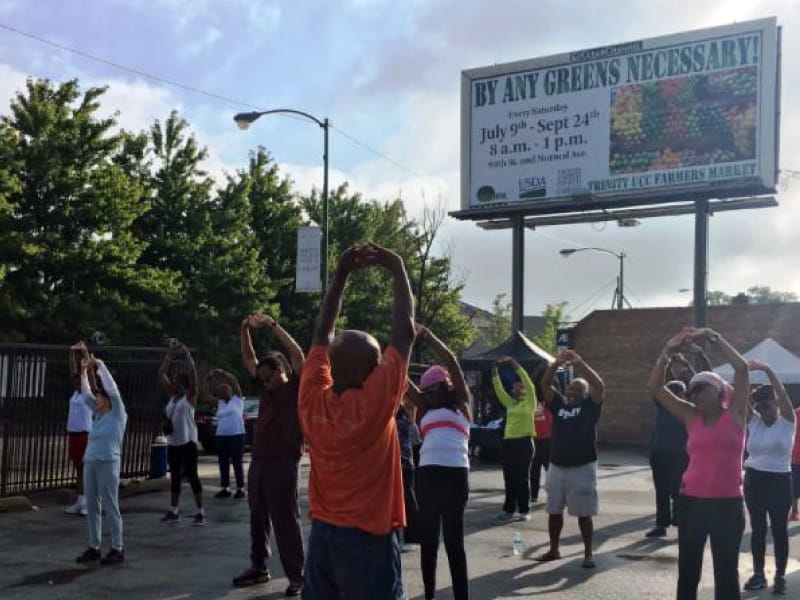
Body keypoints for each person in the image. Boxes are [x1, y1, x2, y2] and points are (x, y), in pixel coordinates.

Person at [299, 243, 414, 599]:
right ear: (353, 369)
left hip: (323, 537)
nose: (382, 365)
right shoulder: (372, 407)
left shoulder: (311, 400)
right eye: (376, 361)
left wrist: (341, 275)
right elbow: (405, 335)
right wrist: (396, 267)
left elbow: (321, 334)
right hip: (367, 539)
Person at [648, 327, 748, 600]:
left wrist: (714, 338)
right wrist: (667, 351)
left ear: (716, 389)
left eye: (698, 390)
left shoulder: (736, 415)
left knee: (726, 573)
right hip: (690, 502)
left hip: (727, 505)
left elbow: (742, 369)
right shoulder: (691, 416)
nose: (693, 396)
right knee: (688, 572)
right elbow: (656, 388)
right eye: (690, 393)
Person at [232, 313, 305, 597]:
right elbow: (249, 359)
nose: (264, 382)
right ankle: (259, 566)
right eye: (261, 378)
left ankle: (297, 575)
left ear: (280, 371)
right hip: (260, 462)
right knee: (257, 517)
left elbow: (297, 353)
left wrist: (273, 325)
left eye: (267, 376)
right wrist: (244, 330)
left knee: (286, 520)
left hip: (284, 462)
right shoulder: (266, 391)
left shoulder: (294, 388)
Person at [406, 323, 472, 600]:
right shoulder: (424, 407)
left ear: (445, 386)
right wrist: (401, 346)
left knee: (454, 541)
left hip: (456, 474)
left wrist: (428, 336)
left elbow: (452, 362)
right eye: (426, 391)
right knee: (429, 539)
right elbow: (400, 377)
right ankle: (430, 595)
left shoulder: (463, 401)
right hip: (429, 474)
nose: (428, 394)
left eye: (433, 389)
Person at [537, 349, 605, 569]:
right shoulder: (559, 404)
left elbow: (600, 386)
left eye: (578, 390)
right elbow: (545, 386)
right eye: (570, 388)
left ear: (586, 394)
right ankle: (554, 549)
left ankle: (587, 555)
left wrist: (580, 362)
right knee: (553, 511)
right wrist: (556, 363)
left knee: (584, 515)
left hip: (582, 468)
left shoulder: (590, 407)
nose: (572, 392)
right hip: (556, 466)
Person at [741, 359, 795, 595]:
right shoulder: (754, 421)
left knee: (780, 530)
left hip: (780, 481)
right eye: (759, 408)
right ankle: (759, 573)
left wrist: (768, 369)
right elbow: (738, 398)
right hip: (754, 479)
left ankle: (780, 576)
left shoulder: (788, 422)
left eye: (767, 406)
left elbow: (781, 391)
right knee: (758, 528)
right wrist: (743, 372)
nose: (763, 411)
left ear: (775, 403)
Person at [645, 351, 709, 538]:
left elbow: (702, 379)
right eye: (671, 392)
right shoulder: (663, 406)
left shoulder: (690, 409)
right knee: (662, 491)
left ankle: (682, 523)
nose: (674, 395)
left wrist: (687, 364)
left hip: (681, 456)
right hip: (659, 454)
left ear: (685, 393)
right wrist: (667, 363)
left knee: (679, 491)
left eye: (678, 392)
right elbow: (659, 385)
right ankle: (661, 524)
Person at [75, 353, 128, 566]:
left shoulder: (118, 414)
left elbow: (113, 390)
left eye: (100, 397)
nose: (95, 400)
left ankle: (117, 547)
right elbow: (86, 393)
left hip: (108, 462)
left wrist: (100, 365)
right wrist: (83, 372)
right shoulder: (98, 415)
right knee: (93, 505)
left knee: (110, 505)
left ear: (108, 400)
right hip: (91, 462)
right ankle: (94, 546)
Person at [159, 342, 205, 526]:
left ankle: (200, 512)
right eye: (175, 381)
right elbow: (161, 374)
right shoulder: (172, 398)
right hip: (174, 442)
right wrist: (169, 355)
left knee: (192, 476)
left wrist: (187, 355)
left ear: (185, 385)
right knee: (175, 477)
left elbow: (194, 377)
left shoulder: (190, 397)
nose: (175, 384)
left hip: (188, 442)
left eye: (179, 382)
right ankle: (174, 511)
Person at [491, 356, 536, 521]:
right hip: (509, 443)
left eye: (520, 387)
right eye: (515, 388)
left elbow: (528, 382)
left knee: (522, 477)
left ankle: (524, 510)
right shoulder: (510, 403)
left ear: (525, 389)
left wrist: (515, 365)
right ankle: (508, 510)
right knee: (509, 477)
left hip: (524, 442)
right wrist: (494, 372)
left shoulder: (530, 401)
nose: (517, 390)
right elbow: (499, 390)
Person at [64, 342, 96, 517]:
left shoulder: (88, 393)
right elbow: (72, 370)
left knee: (85, 469)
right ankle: (80, 500)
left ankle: (87, 502)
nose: (77, 382)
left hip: (85, 434)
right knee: (78, 469)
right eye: (75, 380)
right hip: (74, 434)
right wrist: (71, 352)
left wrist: (84, 351)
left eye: (79, 380)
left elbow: (89, 372)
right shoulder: (75, 394)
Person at [205, 369, 246, 499]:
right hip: (221, 436)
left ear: (230, 391)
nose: (224, 392)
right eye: (221, 391)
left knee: (237, 462)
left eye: (226, 390)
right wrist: (207, 380)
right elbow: (206, 395)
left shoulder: (238, 400)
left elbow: (234, 381)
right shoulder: (220, 403)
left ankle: (240, 488)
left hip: (237, 435)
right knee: (223, 462)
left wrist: (223, 374)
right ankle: (225, 488)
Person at [396, 398, 420, 551]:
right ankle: (396, 538)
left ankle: (412, 537)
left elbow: (415, 440)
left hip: (404, 464)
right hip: (391, 465)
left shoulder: (405, 418)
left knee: (408, 499)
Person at [529, 362, 552, 504]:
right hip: (535, 437)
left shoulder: (551, 395)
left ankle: (551, 493)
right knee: (535, 468)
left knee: (548, 468)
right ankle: (534, 494)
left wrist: (548, 370)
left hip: (548, 437)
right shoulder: (532, 395)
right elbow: (531, 383)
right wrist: (540, 369)